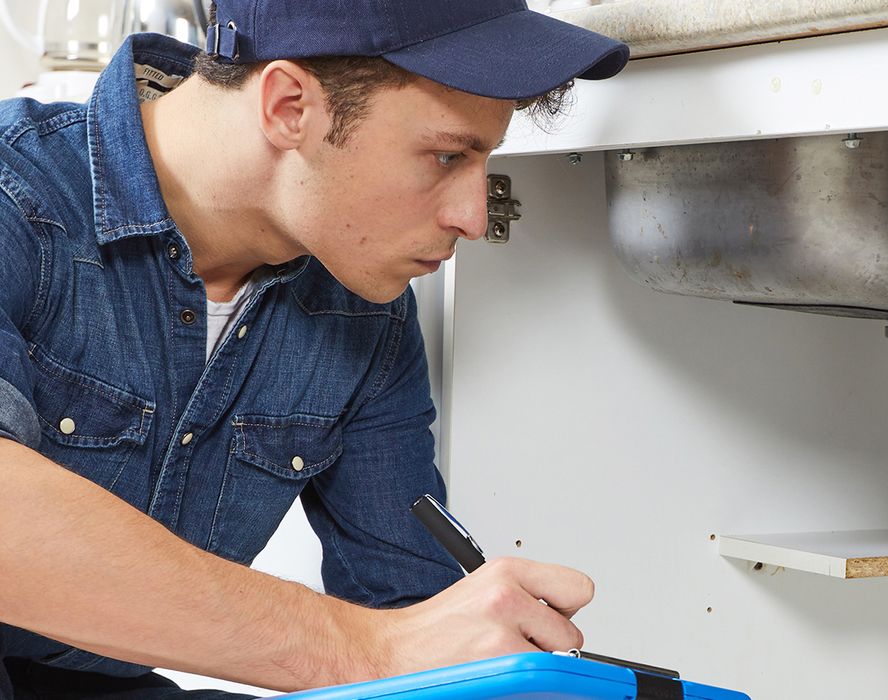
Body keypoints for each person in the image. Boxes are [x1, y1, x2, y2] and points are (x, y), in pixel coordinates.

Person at [0, 1, 628, 697]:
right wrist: (355, 648)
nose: (473, 217)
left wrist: (483, 663)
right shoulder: (15, 199)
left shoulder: (362, 307)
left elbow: (407, 612)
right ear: (288, 106)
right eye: (445, 155)